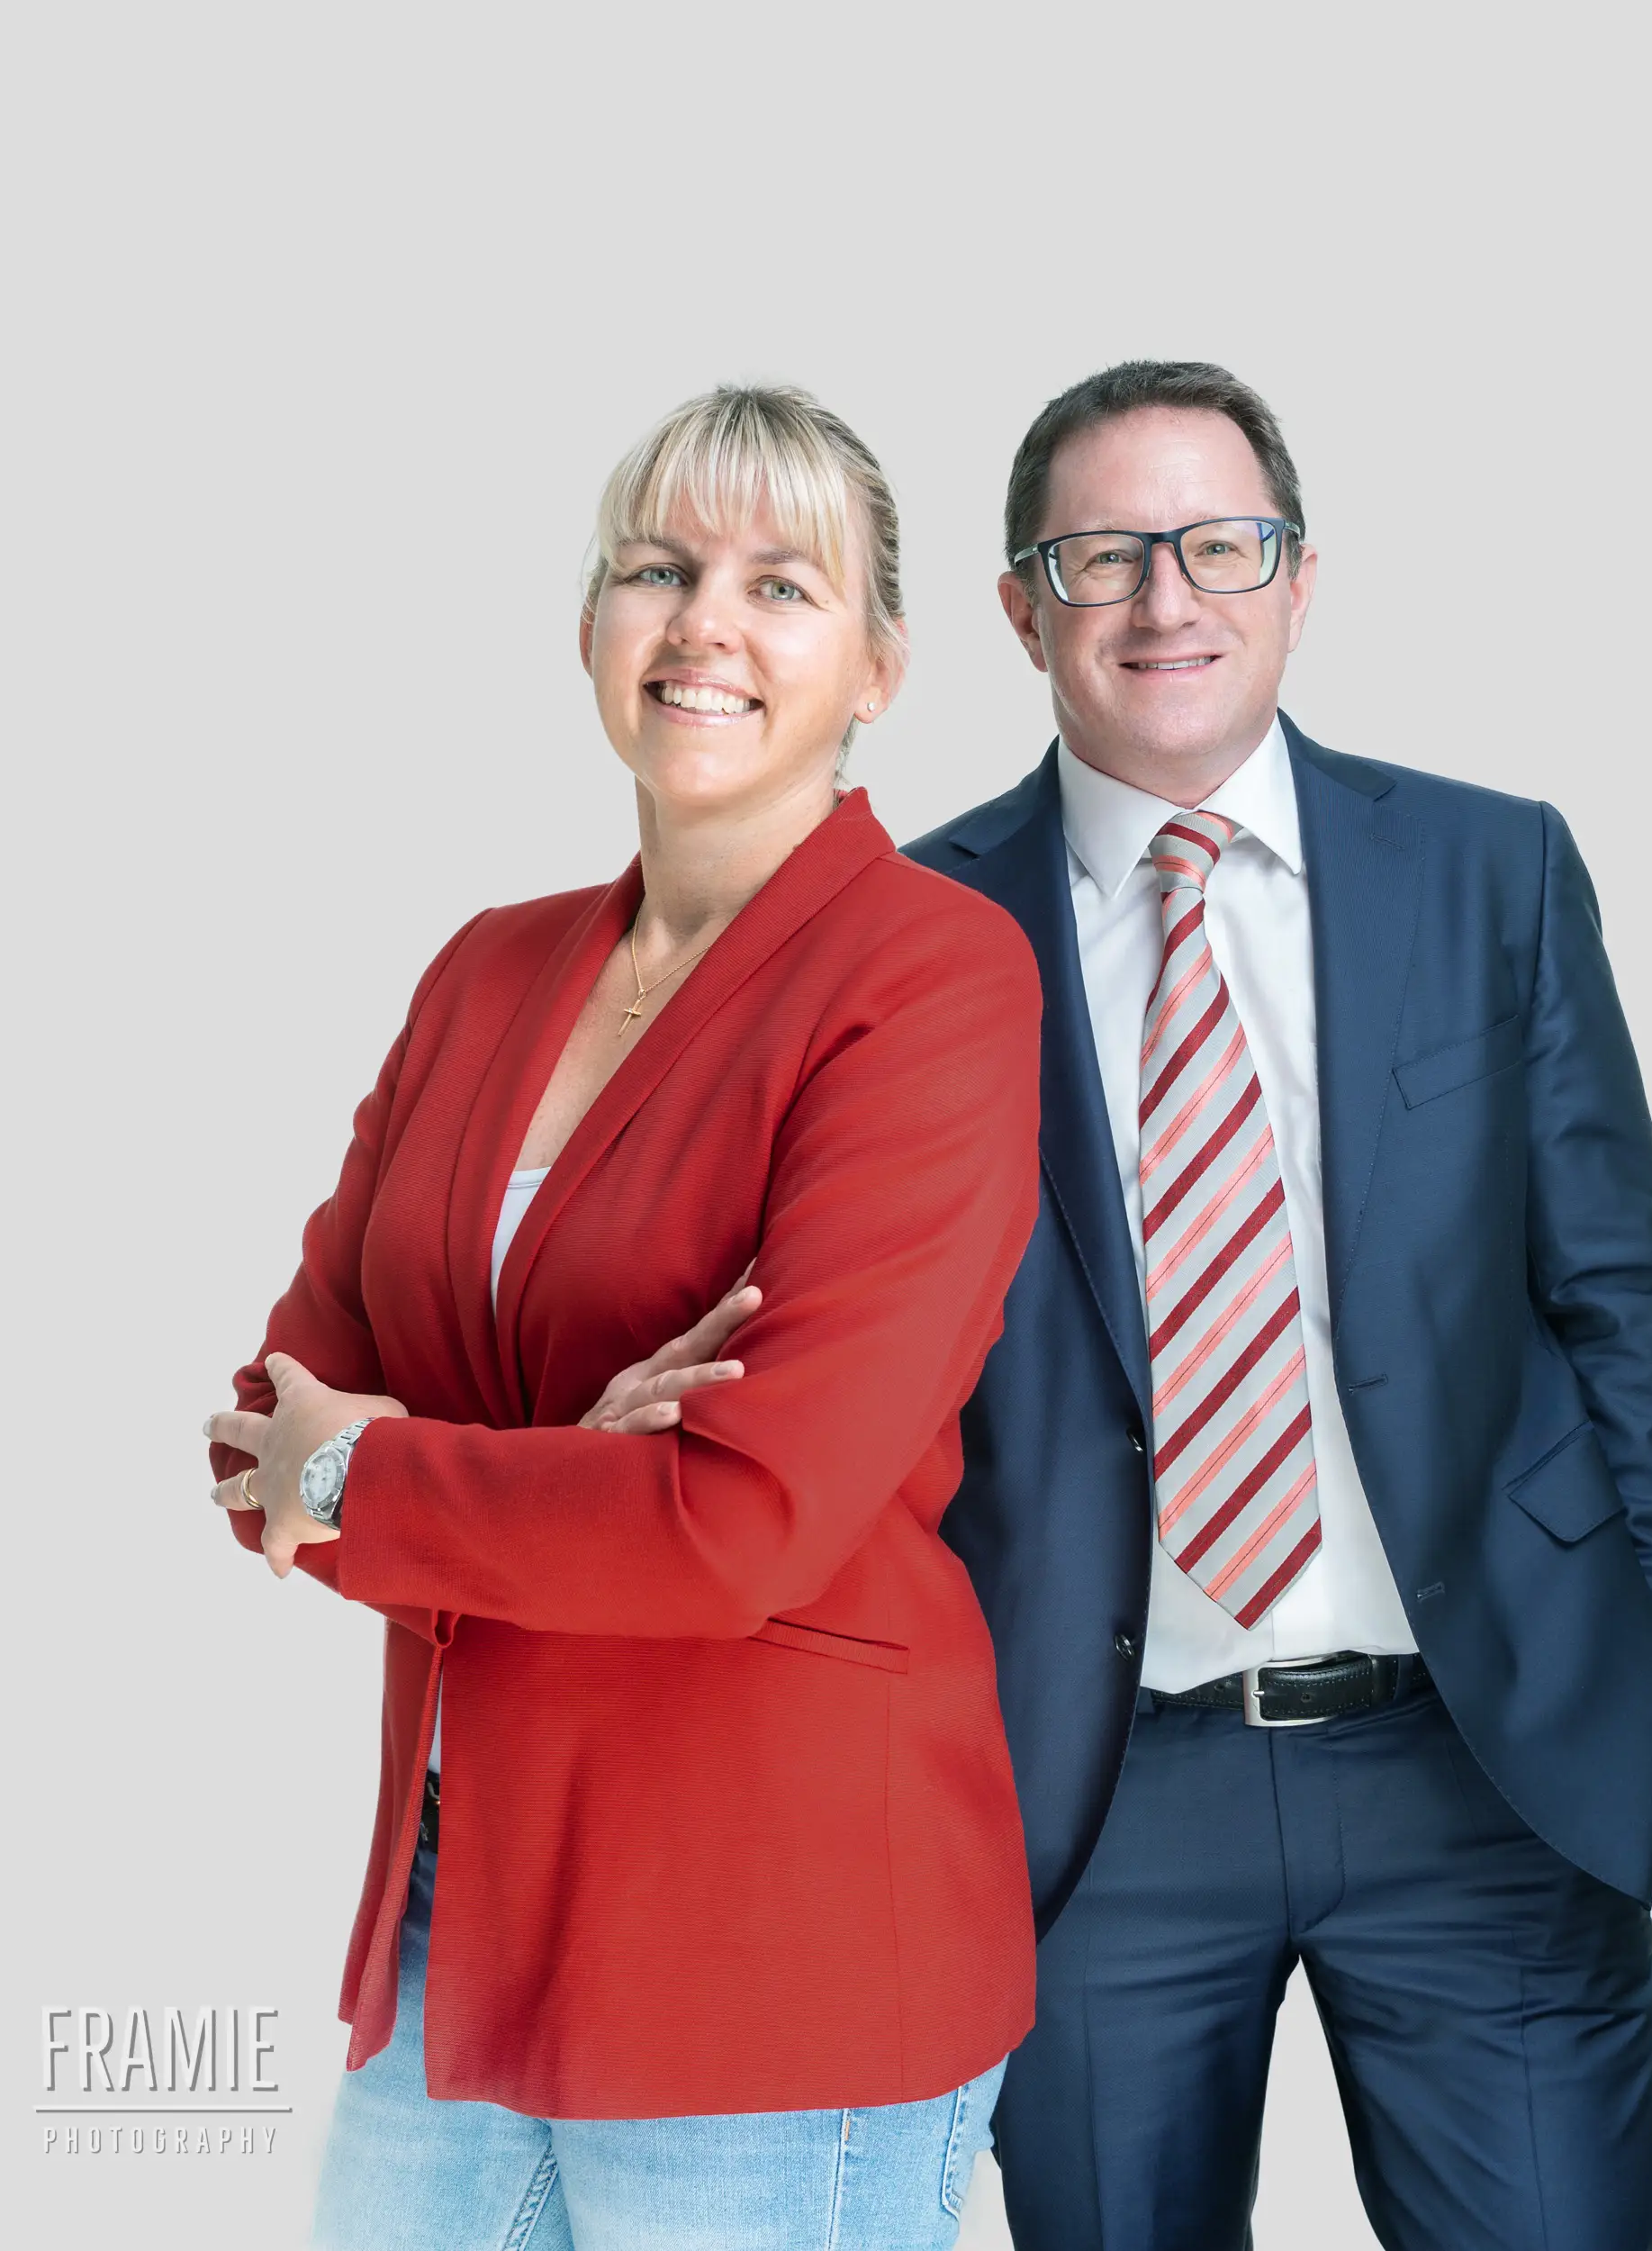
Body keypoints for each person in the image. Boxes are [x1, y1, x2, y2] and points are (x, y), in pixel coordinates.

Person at [203, 384, 1043, 2251]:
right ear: (588, 622)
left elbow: (739, 1517)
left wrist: (379, 1472)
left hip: (776, 1952)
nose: (703, 624)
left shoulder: (931, 977)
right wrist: (555, 1465)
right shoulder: (484, 968)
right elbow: (262, 1431)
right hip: (457, 1923)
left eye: (781, 585)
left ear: (880, 665)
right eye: (657, 569)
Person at [904, 360, 1652, 2251]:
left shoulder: (1491, 868)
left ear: (1299, 578)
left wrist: (1637, 1649)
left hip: (1484, 1756)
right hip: (1090, 1797)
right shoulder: (914, 932)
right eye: (1104, 554)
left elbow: (1617, 1287)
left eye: (1221, 545)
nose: (1165, 597)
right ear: (1020, 606)